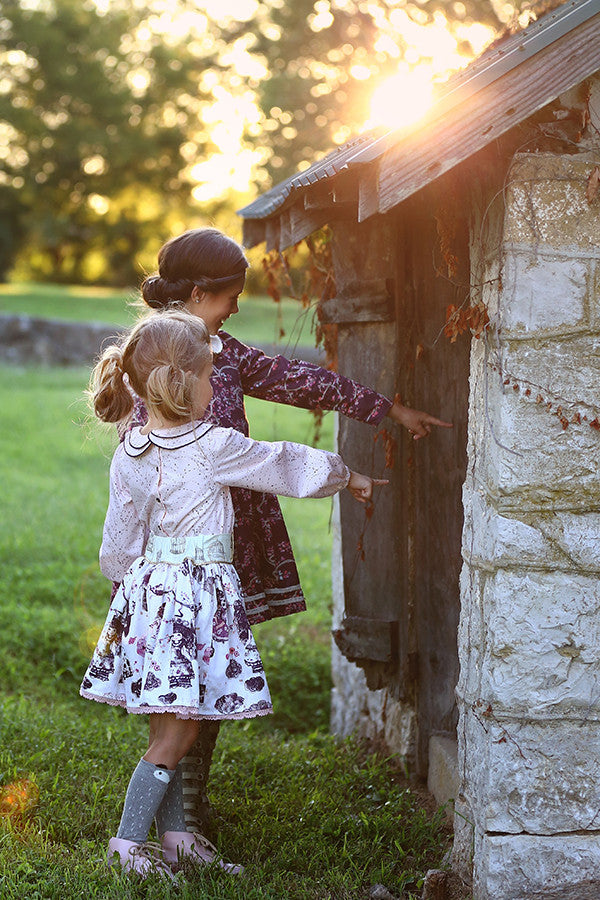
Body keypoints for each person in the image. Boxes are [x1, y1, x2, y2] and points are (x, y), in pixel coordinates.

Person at [133, 227, 452, 838]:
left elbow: (301, 380)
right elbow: (139, 461)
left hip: (234, 542)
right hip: (177, 551)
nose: (232, 309)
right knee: (182, 681)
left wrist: (388, 409)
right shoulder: (149, 360)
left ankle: (189, 808)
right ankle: (167, 809)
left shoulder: (221, 353)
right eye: (229, 297)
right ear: (199, 294)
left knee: (213, 672)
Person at [80, 310, 386, 878]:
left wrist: (134, 592)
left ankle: (175, 839)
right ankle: (125, 849)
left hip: (152, 597)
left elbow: (118, 541)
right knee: (177, 734)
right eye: (208, 379)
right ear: (184, 383)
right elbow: (281, 463)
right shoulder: (213, 445)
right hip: (193, 600)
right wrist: (348, 476)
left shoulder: (135, 450)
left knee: (175, 719)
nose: (213, 387)